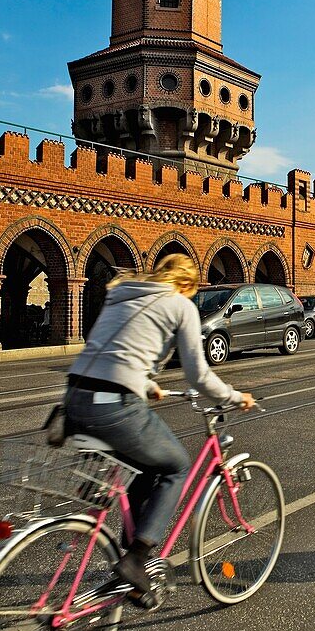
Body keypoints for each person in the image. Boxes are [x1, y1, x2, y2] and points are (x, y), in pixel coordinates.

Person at [63, 254, 254, 595]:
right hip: (114, 404)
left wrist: (147, 384)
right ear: (186, 285)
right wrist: (233, 396)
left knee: (145, 468)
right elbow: (198, 376)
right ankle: (136, 559)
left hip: (75, 397)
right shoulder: (179, 305)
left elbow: (115, 351)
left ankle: (130, 556)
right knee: (177, 467)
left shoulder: (123, 294)